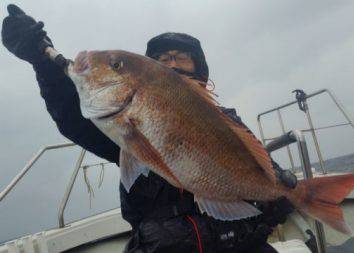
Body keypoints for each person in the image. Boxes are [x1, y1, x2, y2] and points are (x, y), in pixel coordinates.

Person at [2, 4, 298, 253]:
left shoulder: (226, 120)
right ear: (146, 74)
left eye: (181, 57)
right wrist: (42, 61)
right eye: (163, 58)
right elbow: (71, 117)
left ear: (200, 72)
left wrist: (281, 186)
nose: (172, 62)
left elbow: (254, 161)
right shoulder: (119, 126)